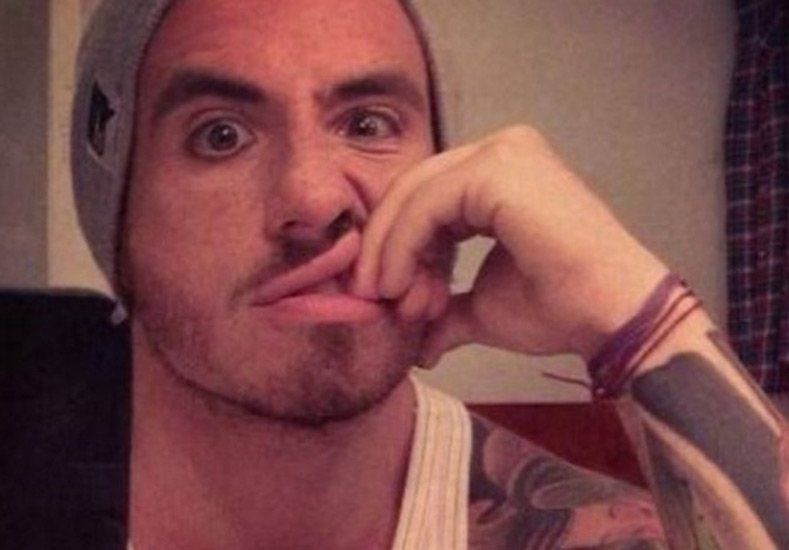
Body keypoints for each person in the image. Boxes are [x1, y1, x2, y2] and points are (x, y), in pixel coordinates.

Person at [56, 0, 788, 548]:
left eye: (367, 124)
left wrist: (637, 321)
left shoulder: (575, 530)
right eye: (221, 136)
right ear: (118, 219)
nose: (315, 198)